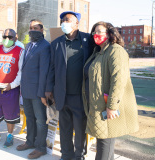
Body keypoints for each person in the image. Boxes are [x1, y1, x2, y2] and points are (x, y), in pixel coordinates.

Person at [82, 21, 139, 160]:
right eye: (94, 32)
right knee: (104, 143)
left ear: (109, 33)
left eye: (99, 31)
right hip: (97, 105)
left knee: (104, 144)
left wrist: (112, 106)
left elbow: (118, 81)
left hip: (107, 107)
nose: (96, 34)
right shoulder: (98, 52)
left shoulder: (116, 51)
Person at [45, 11, 92, 160]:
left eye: (68, 20)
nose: (64, 23)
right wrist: (48, 89)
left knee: (79, 129)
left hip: (80, 95)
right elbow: (52, 67)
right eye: (62, 20)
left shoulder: (88, 40)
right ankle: (66, 154)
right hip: (61, 94)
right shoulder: (57, 43)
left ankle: (79, 155)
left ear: (77, 23)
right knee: (65, 128)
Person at [16, 19, 50, 159]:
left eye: (36, 28)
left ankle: (41, 147)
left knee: (40, 120)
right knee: (29, 118)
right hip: (27, 90)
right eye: (31, 27)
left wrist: (42, 93)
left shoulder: (45, 46)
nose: (32, 30)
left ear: (42, 30)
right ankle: (30, 142)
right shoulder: (28, 45)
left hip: (37, 92)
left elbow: (44, 72)